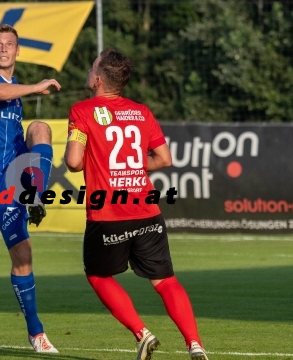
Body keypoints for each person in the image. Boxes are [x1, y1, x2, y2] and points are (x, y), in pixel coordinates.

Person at [64, 48, 209, 360]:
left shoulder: (82, 111)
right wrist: (129, 167)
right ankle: (195, 344)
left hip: (109, 213)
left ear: (98, 80)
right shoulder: (141, 111)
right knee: (165, 280)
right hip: (146, 210)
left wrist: (94, 158)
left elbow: (74, 162)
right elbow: (164, 159)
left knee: (98, 276)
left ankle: (142, 334)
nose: (89, 73)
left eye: (92, 68)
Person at [0, 24, 61, 353]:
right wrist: (37, 87)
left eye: (9, 44)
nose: (3, 49)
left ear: (17, 52)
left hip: (19, 167)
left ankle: (35, 195)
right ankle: (36, 332)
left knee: (39, 127)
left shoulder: (14, 87)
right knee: (23, 257)